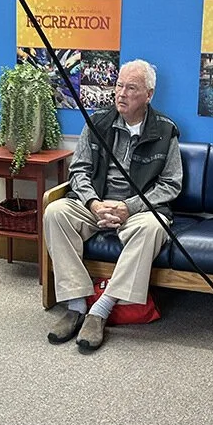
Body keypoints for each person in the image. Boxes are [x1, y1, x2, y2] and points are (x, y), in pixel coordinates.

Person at [42, 59, 182, 353]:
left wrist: (128, 207)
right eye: (119, 85)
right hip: (97, 204)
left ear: (149, 95)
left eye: (131, 88)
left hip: (137, 211)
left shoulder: (166, 131)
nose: (121, 93)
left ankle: (100, 310)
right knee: (55, 211)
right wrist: (93, 203)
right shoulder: (97, 122)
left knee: (153, 227)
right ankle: (77, 304)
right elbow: (78, 169)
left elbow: (170, 184)